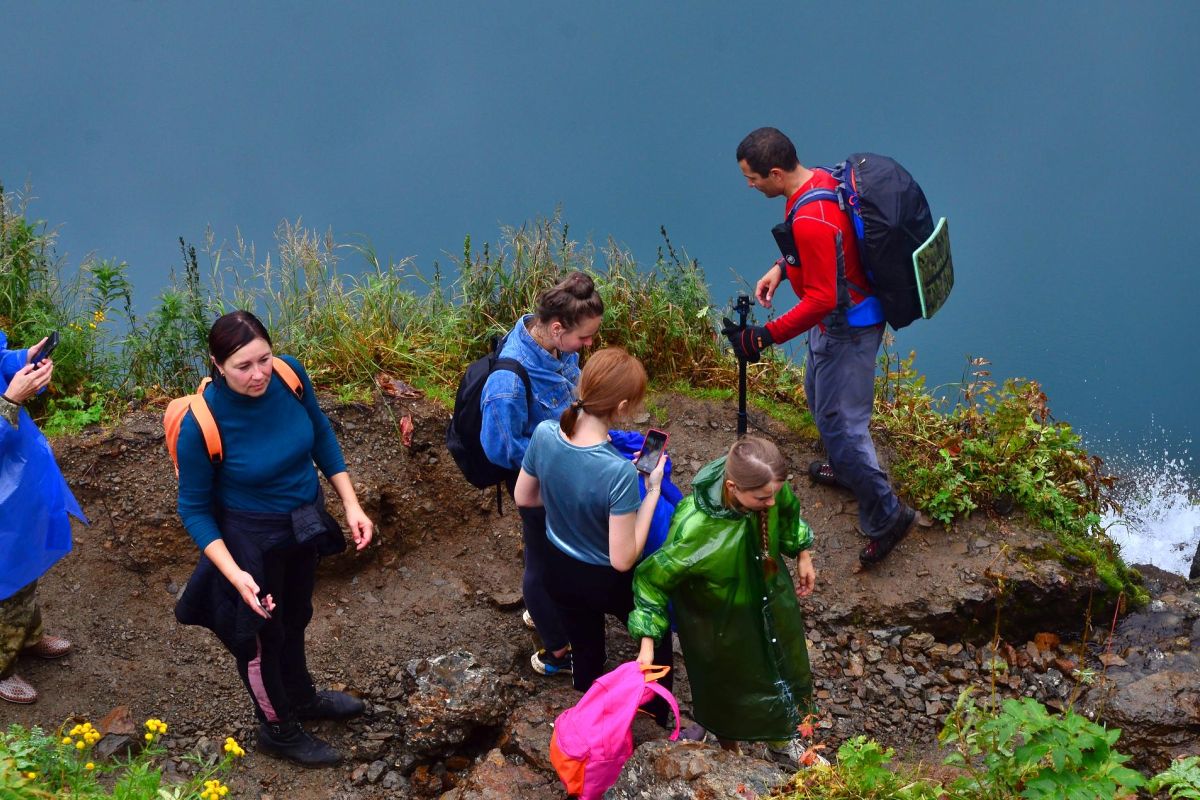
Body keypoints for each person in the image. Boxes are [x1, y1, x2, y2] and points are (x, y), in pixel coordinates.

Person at [173, 311, 374, 767]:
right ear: (217, 364)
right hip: (248, 540)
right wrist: (236, 575)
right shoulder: (200, 423)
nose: (259, 373)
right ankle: (278, 728)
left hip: (303, 520)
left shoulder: (289, 375)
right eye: (243, 366)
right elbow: (195, 509)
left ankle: (301, 697)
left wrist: (350, 503)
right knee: (261, 638)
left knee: (297, 615)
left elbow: (319, 432)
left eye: (264, 358)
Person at [726, 127, 917, 565]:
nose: (750, 186)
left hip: (847, 327)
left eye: (753, 178)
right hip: (839, 321)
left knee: (842, 424)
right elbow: (828, 247)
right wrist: (780, 267)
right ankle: (847, 469)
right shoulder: (820, 182)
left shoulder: (811, 218)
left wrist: (763, 337)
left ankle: (889, 515)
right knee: (818, 395)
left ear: (775, 173)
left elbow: (822, 298)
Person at [628, 436, 820, 767]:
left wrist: (803, 553)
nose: (771, 502)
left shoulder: (767, 489)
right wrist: (647, 643)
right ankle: (730, 750)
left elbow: (788, 512)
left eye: (774, 493)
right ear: (732, 487)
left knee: (781, 669)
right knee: (726, 688)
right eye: (763, 498)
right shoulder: (694, 526)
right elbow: (651, 580)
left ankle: (782, 742)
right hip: (717, 624)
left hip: (771, 604)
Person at [513, 348, 674, 703]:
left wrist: (566, 506)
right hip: (604, 578)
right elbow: (622, 559)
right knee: (657, 641)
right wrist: (651, 491)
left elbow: (524, 497)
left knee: (585, 645)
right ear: (621, 408)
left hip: (558, 565)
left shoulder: (544, 433)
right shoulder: (617, 472)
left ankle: (586, 697)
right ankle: (658, 715)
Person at [480, 271, 603, 677]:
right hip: (538, 486)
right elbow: (501, 448)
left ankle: (546, 615)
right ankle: (558, 649)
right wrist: (559, 455)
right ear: (555, 328)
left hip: (562, 476)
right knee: (543, 560)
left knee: (555, 553)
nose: (588, 346)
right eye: (584, 339)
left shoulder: (557, 349)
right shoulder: (508, 383)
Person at [0, 332, 85, 704]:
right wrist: (9, 402)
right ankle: (2, 666)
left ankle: (28, 637)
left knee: (25, 565)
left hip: (17, 478)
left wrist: (23, 361)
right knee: (4, 582)